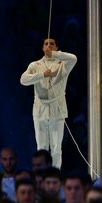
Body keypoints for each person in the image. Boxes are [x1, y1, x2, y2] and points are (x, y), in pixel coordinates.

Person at [20, 38, 77, 168]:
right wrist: (41, 75)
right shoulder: (35, 65)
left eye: (52, 44)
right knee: (41, 147)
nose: (49, 46)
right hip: (40, 110)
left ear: (57, 47)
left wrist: (55, 54)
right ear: (42, 48)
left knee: (56, 148)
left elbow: (73, 58)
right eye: (46, 44)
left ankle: (55, 174)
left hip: (57, 110)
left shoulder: (62, 64)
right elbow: (23, 80)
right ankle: (41, 175)